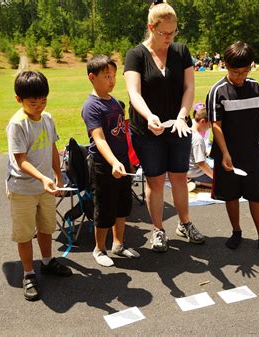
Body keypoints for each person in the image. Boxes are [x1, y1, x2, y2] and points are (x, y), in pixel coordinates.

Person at [124, 1, 204, 252]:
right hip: (147, 129)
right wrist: (149, 117)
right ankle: (158, 230)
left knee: (180, 177)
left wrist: (182, 116)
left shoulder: (181, 51)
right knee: (155, 181)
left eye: (174, 32)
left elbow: (189, 87)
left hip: (178, 126)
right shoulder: (136, 55)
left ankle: (185, 223)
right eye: (164, 32)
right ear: (151, 27)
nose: (170, 37)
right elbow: (133, 92)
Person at [207, 41, 259, 258]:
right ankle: (236, 232)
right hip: (227, 153)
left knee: (255, 195)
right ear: (225, 66)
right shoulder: (217, 91)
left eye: (245, 71)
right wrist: (226, 153)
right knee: (231, 195)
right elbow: (215, 125)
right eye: (235, 72)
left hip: (251, 151)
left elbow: (258, 118)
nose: (240, 76)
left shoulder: (254, 86)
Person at [6, 71, 72, 301]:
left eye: (42, 100)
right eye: (32, 102)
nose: (38, 106)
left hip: (46, 187)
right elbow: (21, 160)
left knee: (46, 228)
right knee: (25, 234)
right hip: (22, 189)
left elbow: (53, 148)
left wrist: (58, 175)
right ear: (19, 99)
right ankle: (28, 273)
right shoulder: (17, 124)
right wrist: (43, 179)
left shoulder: (47, 118)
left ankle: (46, 262)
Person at [81, 55, 140, 267]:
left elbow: (122, 134)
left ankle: (118, 244)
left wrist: (127, 160)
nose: (112, 80)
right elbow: (99, 139)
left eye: (114, 76)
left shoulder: (115, 102)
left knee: (122, 205)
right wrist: (114, 162)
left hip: (122, 164)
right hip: (103, 167)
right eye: (107, 76)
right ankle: (99, 248)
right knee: (104, 209)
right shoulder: (91, 106)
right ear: (92, 77)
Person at [188, 104, 213, 188]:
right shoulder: (198, 139)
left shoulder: (188, 131)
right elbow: (201, 163)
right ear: (202, 121)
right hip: (196, 173)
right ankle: (198, 183)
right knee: (226, 180)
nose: (209, 128)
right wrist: (214, 177)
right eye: (209, 125)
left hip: (188, 170)